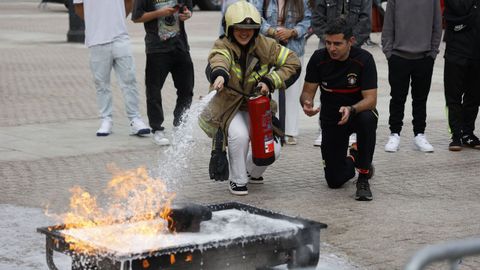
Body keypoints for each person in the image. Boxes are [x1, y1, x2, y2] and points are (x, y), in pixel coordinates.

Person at [200, 0, 301, 195]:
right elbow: (219, 59)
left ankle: (250, 172)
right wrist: (220, 75)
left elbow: (292, 62)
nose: (244, 32)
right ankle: (237, 180)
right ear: (230, 29)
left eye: (250, 28)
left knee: (274, 150)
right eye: (239, 28)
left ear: (256, 30)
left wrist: (271, 80)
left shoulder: (267, 45)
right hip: (229, 106)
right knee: (240, 136)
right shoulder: (223, 44)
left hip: (257, 106)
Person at [301, 17, 377, 201]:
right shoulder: (319, 59)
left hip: (357, 112)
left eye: (337, 43)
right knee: (334, 181)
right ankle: (354, 157)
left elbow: (371, 100)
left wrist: (351, 109)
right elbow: (306, 93)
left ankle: (364, 177)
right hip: (331, 118)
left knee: (368, 119)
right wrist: (307, 104)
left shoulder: (364, 59)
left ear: (350, 41)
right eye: (328, 43)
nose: (331, 48)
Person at [73, 0, 150, 137]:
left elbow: (129, 2)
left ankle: (135, 119)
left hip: (120, 37)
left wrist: (117, 18)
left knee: (129, 79)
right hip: (96, 40)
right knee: (101, 83)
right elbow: (78, 8)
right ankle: (106, 119)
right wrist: (95, 20)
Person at [382, 0, 442, 153]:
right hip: (398, 56)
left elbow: (437, 24)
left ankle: (419, 134)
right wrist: (389, 52)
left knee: (421, 99)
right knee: (397, 98)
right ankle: (394, 133)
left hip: (424, 57)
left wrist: (433, 52)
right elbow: (388, 24)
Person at [132, 0, 195, 145]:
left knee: (186, 89)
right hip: (157, 49)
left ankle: (180, 127)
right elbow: (136, 17)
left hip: (180, 47)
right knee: (154, 91)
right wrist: (159, 13)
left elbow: (187, 9)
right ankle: (157, 130)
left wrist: (187, 14)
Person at [310, 0, 372, 147]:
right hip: (329, 42)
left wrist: (349, 45)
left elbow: (365, 20)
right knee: (327, 89)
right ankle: (324, 128)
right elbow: (317, 18)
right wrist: (331, 40)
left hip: (352, 45)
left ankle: (353, 129)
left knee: (353, 88)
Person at [251, 0, 311, 145]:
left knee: (292, 90)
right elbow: (255, 16)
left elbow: (308, 19)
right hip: (268, 49)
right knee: (270, 88)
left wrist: (292, 32)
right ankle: (273, 129)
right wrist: (272, 31)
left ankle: (291, 132)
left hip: (294, 49)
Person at [443, 0, 480, 151]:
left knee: (474, 96)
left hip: (477, 53)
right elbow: (455, 14)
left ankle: (468, 133)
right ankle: (456, 135)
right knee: (454, 97)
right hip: (455, 53)